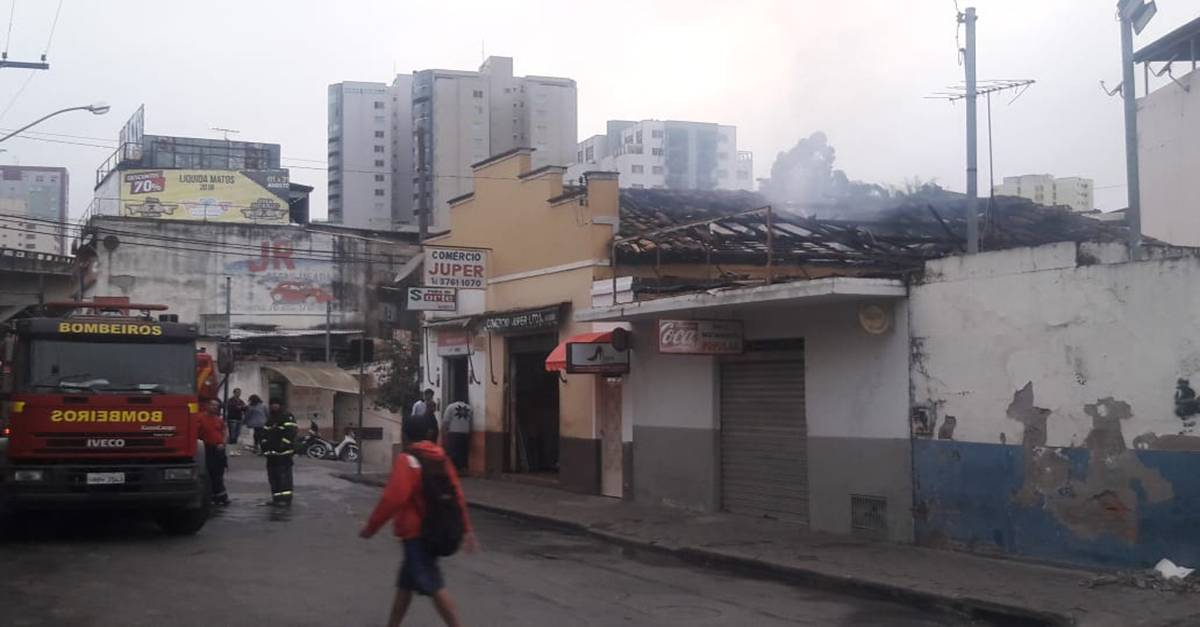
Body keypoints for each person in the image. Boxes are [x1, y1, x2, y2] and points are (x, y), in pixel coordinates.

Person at [360, 420, 477, 627]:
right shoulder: (441, 458)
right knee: (405, 585)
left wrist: (370, 528)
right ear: (430, 433)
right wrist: (466, 529)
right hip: (435, 529)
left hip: (415, 534)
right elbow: (457, 495)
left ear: (405, 436)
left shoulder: (407, 460)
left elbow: (393, 499)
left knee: (433, 585)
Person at [259, 397, 297, 505]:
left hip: (283, 455)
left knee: (284, 477)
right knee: (273, 478)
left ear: (280, 405)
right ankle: (276, 498)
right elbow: (264, 433)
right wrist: (264, 445)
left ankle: (285, 499)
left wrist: (283, 444)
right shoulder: (270, 418)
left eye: (276, 404)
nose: (273, 406)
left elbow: (291, 432)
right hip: (271, 455)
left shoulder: (287, 416)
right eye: (272, 404)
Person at [197, 397, 230, 506]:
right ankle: (211, 496)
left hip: (218, 449)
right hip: (207, 449)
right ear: (207, 406)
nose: (214, 407)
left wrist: (223, 443)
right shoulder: (200, 418)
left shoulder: (218, 419)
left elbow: (224, 431)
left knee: (219, 473)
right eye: (212, 405)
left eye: (216, 406)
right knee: (209, 473)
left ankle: (220, 497)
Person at [441, 400, 472, 471]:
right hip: (465, 433)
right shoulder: (469, 408)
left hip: (453, 433)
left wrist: (444, 432)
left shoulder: (450, 407)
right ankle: (463, 469)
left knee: (453, 452)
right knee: (463, 453)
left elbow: (445, 421)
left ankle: (454, 469)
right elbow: (470, 423)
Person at [225, 388, 248, 456]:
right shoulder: (231, 400)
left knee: (237, 436)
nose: (239, 394)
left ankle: (235, 450)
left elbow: (246, 408)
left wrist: (240, 407)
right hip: (232, 419)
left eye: (240, 392)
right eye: (237, 392)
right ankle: (231, 450)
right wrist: (240, 407)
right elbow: (232, 408)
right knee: (232, 435)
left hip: (239, 419)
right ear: (234, 393)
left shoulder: (240, 401)